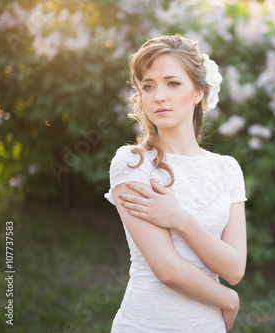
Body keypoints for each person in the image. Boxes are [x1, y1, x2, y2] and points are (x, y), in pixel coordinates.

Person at [104, 35, 248, 332]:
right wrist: (229, 300)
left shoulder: (227, 169)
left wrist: (180, 219)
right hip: (146, 325)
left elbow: (234, 269)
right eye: (148, 85)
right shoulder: (132, 164)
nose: (159, 96)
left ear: (198, 93)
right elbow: (168, 270)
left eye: (172, 83)